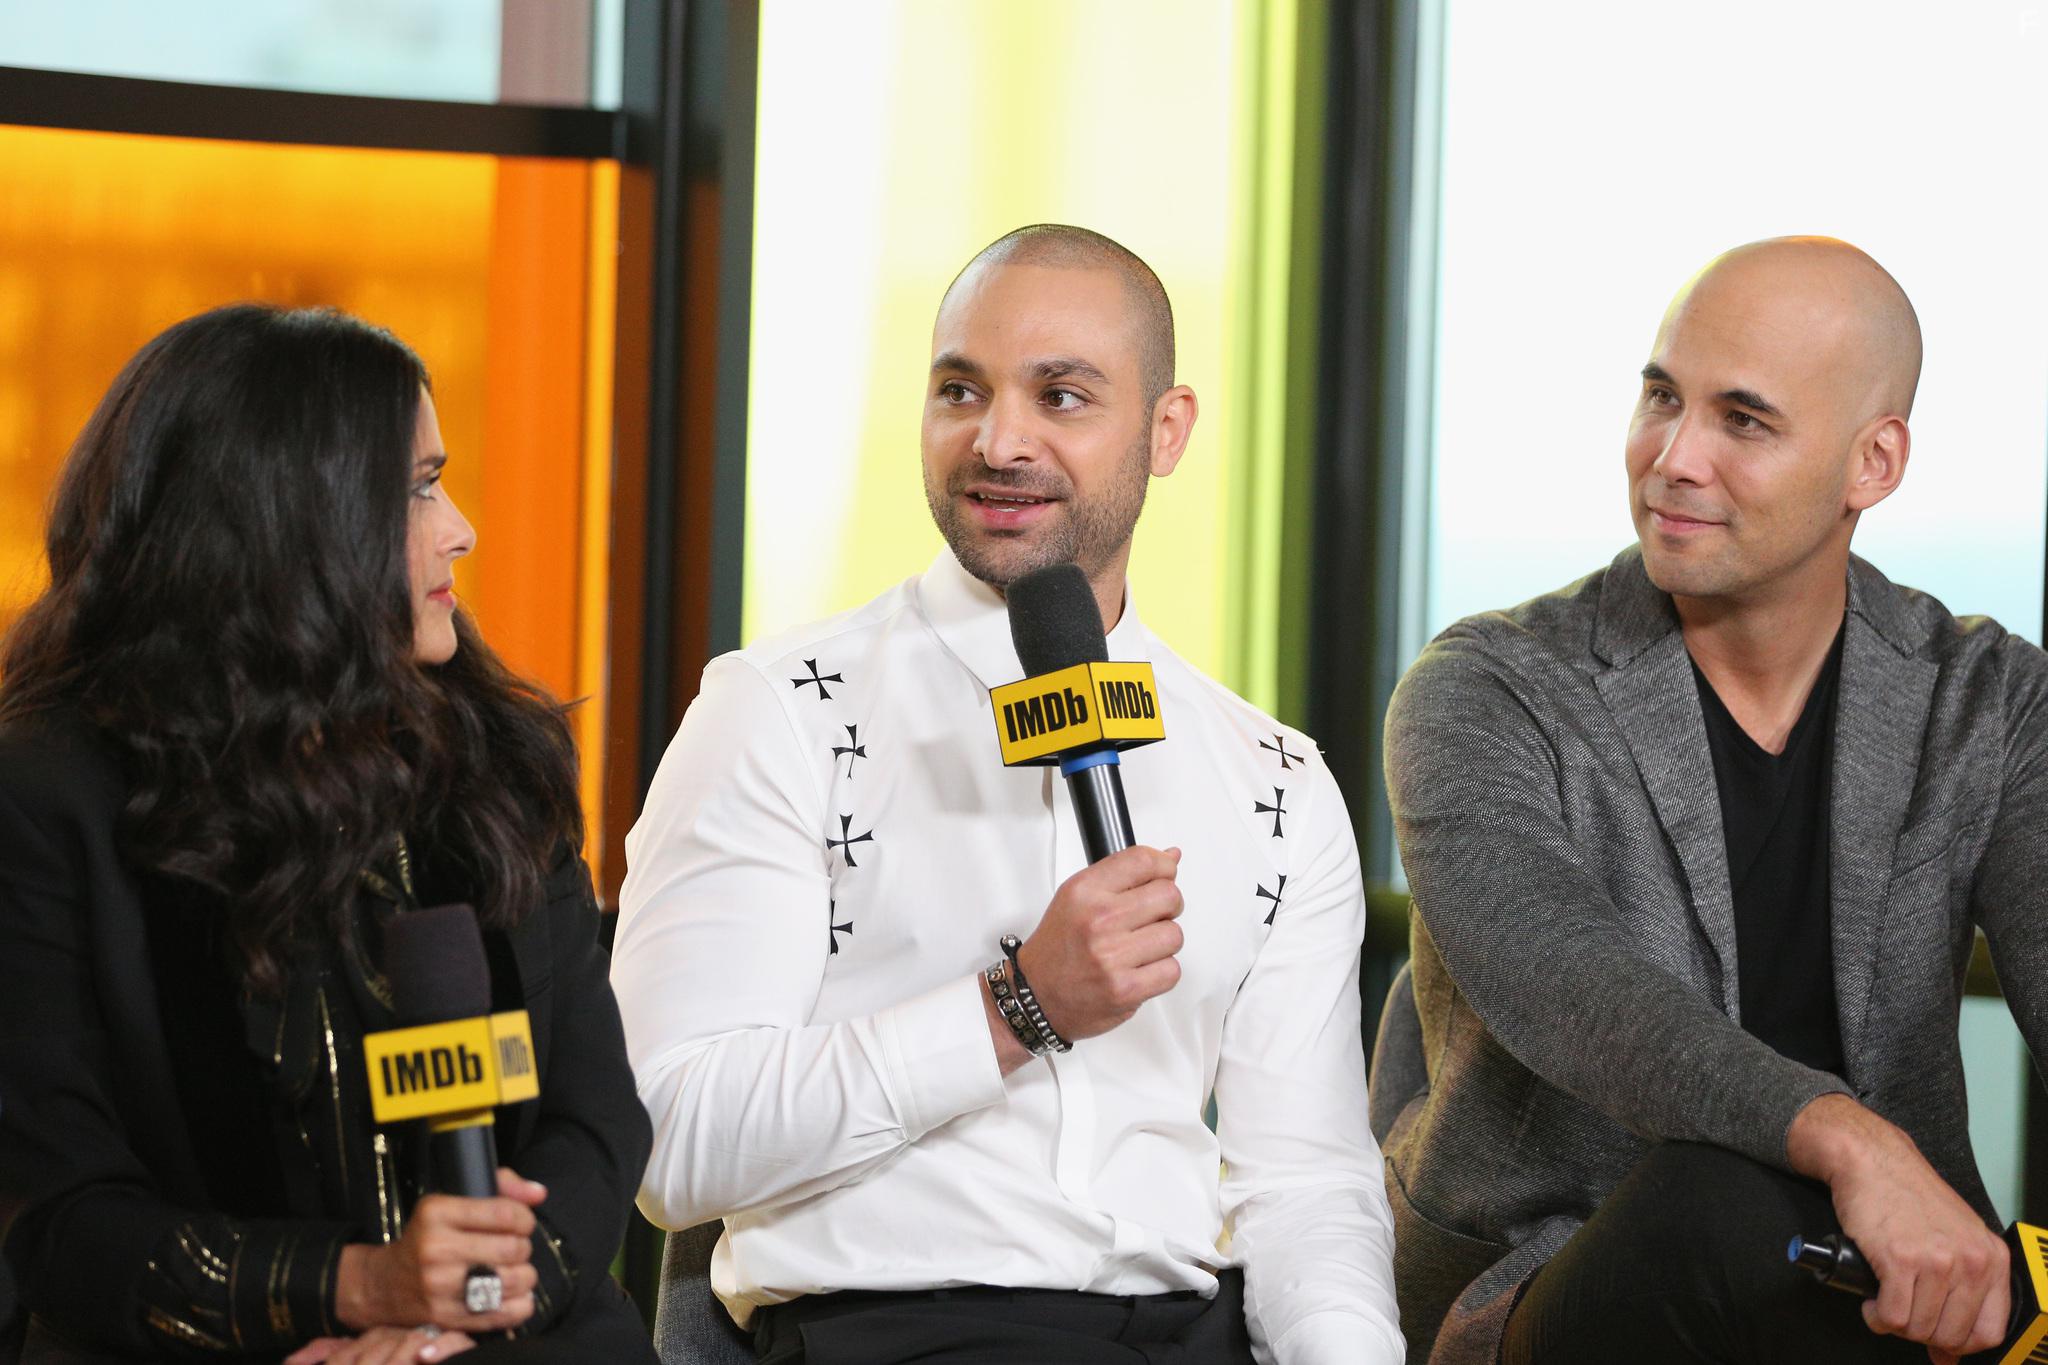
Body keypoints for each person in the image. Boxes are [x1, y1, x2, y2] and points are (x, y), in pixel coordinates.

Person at [612, 225, 1404, 1364]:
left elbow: (1307, 1184)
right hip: (896, 1328)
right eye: (959, 390)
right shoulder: (779, 712)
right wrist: (1013, 1007)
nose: (997, 440)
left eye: (1062, 396)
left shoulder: (1271, 777)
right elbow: (670, 1143)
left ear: (1165, 430)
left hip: (1193, 1330)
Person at [1374, 237, 2047, 1365]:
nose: (1671, 458)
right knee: (1724, 1204)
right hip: (1557, 1287)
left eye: (1741, 419)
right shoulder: (1483, 692)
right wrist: (1851, 1143)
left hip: (1879, 1304)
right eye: (1658, 397)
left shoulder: (1985, 702)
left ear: (1870, 464)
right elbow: (1573, 988)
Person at [0, 305, 657, 1364]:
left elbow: (597, 1121)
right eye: (414, 490)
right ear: (282, 527)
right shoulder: (50, 795)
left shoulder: (499, 757)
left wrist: (464, 1306)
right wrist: (357, 1286)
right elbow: (61, 1216)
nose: (459, 528)